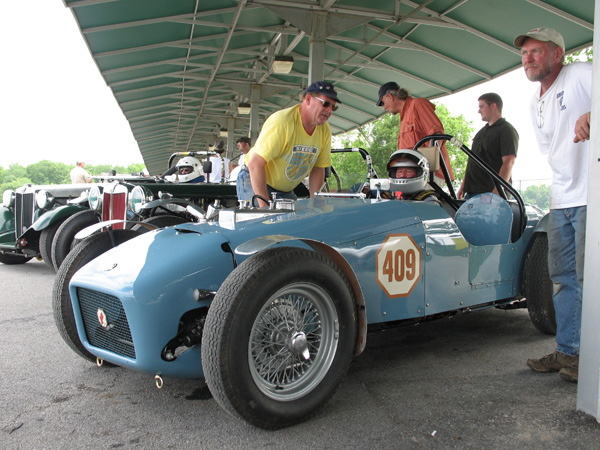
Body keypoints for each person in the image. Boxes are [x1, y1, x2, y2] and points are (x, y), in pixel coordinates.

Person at [514, 27, 592, 383]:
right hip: (562, 199)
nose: (527, 58)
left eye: (536, 52)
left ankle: (590, 360)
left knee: (588, 278)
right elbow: (552, 152)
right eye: (525, 53)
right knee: (561, 278)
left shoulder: (580, 74)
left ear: (557, 54)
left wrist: (594, 114)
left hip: (593, 194)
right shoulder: (535, 102)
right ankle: (568, 351)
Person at [246, 80, 340, 207]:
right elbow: (255, 163)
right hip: (254, 178)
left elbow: (318, 168)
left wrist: (315, 204)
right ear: (308, 99)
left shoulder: (325, 130)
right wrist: (265, 209)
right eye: (326, 104)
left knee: (295, 225)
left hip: (285, 190)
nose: (329, 110)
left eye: (333, 107)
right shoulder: (282, 122)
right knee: (264, 224)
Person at [376, 82, 453, 185]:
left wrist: (427, 170)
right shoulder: (404, 117)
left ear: (389, 97)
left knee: (424, 200)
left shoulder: (418, 104)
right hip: (411, 176)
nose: (384, 108)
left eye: (382, 103)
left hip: (427, 175)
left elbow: (437, 135)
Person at [457, 93, 519, 199]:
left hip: (490, 191)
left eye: (482, 106)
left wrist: (498, 190)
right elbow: (472, 161)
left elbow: (509, 162)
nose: (479, 111)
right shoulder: (481, 133)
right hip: (472, 192)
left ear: (493, 106)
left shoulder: (506, 130)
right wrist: (463, 186)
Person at [234, 136, 253, 201]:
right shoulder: (241, 156)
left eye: (240, 143)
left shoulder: (252, 155)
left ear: (247, 144)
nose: (238, 145)